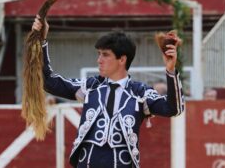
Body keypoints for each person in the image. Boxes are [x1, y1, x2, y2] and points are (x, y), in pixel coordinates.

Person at [32, 16, 185, 168]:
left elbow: (173, 108)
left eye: (105, 55)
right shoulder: (91, 87)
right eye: (99, 54)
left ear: (122, 60)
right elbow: (50, 82)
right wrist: (42, 41)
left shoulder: (140, 92)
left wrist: (170, 70)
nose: (99, 60)